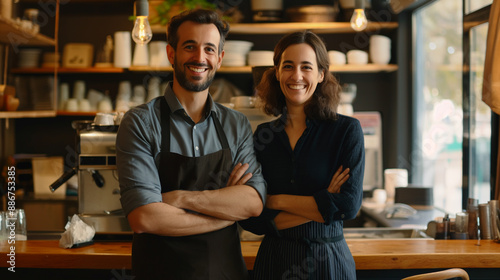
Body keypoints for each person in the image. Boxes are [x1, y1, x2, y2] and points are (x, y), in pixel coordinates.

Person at [116, 9, 266, 280]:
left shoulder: (236, 124)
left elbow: (253, 203)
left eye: (209, 49)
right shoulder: (140, 122)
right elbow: (145, 218)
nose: (200, 58)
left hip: (226, 273)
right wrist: (226, 213)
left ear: (219, 59)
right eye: (190, 47)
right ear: (171, 54)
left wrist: (180, 198)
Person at [239, 31, 365, 279]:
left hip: (328, 262)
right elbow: (251, 220)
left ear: (320, 75)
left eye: (306, 67)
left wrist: (273, 200)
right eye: (288, 66)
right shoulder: (263, 136)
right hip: (274, 261)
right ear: (277, 72)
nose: (296, 76)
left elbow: (347, 207)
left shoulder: (346, 130)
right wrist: (323, 202)